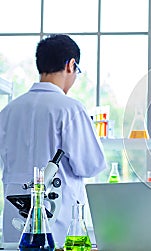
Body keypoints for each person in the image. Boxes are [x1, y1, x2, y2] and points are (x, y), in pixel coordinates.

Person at [0, 34, 107, 246]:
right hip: (57, 230)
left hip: (14, 230)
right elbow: (91, 165)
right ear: (71, 65)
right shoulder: (70, 109)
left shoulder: (8, 111)